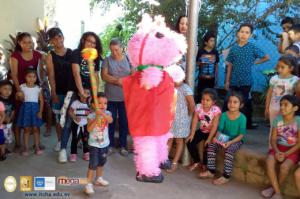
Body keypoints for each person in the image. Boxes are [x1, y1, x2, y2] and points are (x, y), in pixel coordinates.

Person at [58, 31, 102, 163]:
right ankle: (63, 150)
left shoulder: (96, 57)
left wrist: (95, 95)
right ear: (83, 40)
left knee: (90, 119)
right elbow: (76, 73)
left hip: (89, 92)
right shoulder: (76, 53)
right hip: (75, 91)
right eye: (89, 41)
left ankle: (89, 148)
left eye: (94, 43)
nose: (92, 44)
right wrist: (81, 92)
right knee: (69, 121)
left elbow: (95, 76)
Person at [225, 23, 270, 129]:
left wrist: (255, 63)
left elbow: (266, 57)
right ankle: (231, 124)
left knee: (244, 103)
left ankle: (244, 125)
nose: (244, 34)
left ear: (250, 35)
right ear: (237, 33)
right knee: (231, 102)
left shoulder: (252, 47)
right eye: (242, 31)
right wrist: (227, 81)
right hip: (234, 81)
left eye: (247, 32)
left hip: (246, 81)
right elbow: (230, 65)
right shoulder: (233, 49)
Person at [199, 91, 246, 185]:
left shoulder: (242, 118)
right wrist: (215, 138)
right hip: (224, 137)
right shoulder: (224, 115)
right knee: (211, 146)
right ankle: (211, 171)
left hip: (236, 139)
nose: (232, 104)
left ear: (241, 105)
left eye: (235, 102)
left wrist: (230, 142)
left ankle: (226, 176)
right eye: (230, 101)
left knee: (229, 151)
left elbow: (241, 135)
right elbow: (220, 129)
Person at [10, 32, 44, 153]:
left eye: (30, 42)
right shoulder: (15, 55)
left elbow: (41, 71)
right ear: (19, 43)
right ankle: (18, 143)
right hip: (20, 89)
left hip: (34, 90)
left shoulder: (37, 55)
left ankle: (37, 143)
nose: (28, 44)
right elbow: (13, 74)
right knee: (19, 117)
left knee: (35, 118)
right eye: (25, 42)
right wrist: (19, 91)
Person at [261, 95, 300, 199]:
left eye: (286, 105)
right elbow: (273, 139)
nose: (282, 107)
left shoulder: (298, 121)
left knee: (284, 167)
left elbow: (299, 143)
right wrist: (277, 151)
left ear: (295, 108)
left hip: (293, 150)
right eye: (281, 104)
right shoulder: (277, 120)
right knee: (269, 161)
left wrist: (286, 154)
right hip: (277, 148)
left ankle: (273, 188)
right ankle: (278, 192)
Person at [45, 27, 74, 152]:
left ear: (63, 37)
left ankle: (75, 141)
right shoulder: (50, 56)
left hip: (71, 92)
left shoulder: (71, 53)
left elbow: (76, 72)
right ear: (51, 42)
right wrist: (54, 92)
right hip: (59, 91)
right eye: (55, 38)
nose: (58, 40)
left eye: (60, 37)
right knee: (58, 118)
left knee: (71, 117)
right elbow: (50, 75)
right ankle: (60, 141)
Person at [101, 38, 131, 156]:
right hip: (110, 97)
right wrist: (118, 81)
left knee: (124, 122)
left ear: (122, 48)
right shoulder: (107, 60)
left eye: (117, 50)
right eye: (112, 50)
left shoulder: (129, 59)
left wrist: (124, 81)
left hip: (125, 98)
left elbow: (133, 75)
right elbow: (104, 76)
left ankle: (123, 145)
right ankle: (110, 145)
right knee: (111, 121)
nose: (114, 53)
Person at [186, 88, 221, 173]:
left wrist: (209, 138)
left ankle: (205, 164)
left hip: (212, 132)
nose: (204, 101)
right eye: (203, 99)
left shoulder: (216, 110)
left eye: (208, 100)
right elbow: (194, 120)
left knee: (208, 146)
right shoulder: (198, 107)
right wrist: (192, 134)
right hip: (202, 130)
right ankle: (197, 161)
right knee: (189, 142)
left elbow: (215, 125)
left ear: (213, 102)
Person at [265, 55, 299, 142]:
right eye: (278, 66)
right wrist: (267, 108)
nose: (279, 69)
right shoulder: (274, 79)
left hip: (287, 109)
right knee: (273, 128)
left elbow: (297, 94)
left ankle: (283, 147)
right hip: (273, 108)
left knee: (285, 128)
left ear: (291, 68)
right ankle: (271, 149)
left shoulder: (295, 80)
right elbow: (269, 94)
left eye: (282, 67)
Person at [84, 92, 112, 195]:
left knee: (101, 162)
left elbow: (110, 120)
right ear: (93, 105)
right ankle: (88, 184)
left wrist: (103, 114)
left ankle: (99, 178)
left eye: (105, 103)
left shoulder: (108, 113)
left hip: (105, 144)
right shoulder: (90, 116)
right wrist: (96, 118)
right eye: (99, 103)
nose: (103, 106)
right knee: (93, 164)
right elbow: (89, 129)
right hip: (94, 145)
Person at [166, 82, 195, 172]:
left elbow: (192, 104)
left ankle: (174, 163)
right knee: (169, 139)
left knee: (179, 141)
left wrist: (188, 115)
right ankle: (163, 159)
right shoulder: (169, 86)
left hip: (181, 120)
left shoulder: (186, 88)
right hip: (170, 118)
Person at [16, 68, 44, 156]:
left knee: (35, 129)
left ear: (36, 78)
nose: (31, 79)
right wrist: (19, 96)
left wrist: (40, 112)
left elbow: (41, 101)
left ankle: (37, 147)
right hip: (25, 110)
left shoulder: (38, 88)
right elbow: (17, 98)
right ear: (25, 77)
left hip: (35, 110)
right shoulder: (22, 87)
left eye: (34, 77)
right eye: (29, 76)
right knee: (26, 129)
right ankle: (26, 148)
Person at [196, 32, 219, 102]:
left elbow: (216, 64)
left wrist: (216, 76)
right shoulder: (200, 51)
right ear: (206, 42)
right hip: (202, 79)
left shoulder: (215, 52)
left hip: (211, 79)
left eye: (214, 41)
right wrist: (202, 61)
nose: (213, 42)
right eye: (211, 41)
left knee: (210, 95)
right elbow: (197, 63)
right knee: (200, 95)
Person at [68, 89, 90, 162]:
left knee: (85, 139)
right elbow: (70, 111)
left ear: (89, 95)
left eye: (87, 93)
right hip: (76, 124)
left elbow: (92, 113)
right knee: (75, 139)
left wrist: (90, 113)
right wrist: (74, 117)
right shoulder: (75, 103)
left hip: (85, 124)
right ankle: (73, 153)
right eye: (83, 93)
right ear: (79, 94)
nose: (85, 95)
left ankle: (86, 152)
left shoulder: (89, 104)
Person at [0, 81, 15, 153]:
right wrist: (5, 118)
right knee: (1, 137)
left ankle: (4, 149)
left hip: (8, 123)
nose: (7, 91)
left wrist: (11, 118)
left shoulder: (11, 100)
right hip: (1, 123)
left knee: (7, 137)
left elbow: (13, 110)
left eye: (10, 89)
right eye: (5, 89)